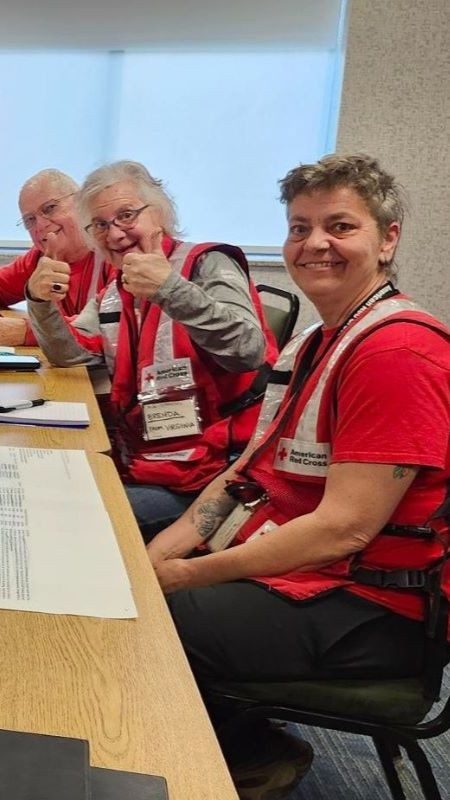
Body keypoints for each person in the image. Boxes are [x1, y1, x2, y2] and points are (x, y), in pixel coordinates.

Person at [146, 154, 450, 799]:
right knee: (137, 577)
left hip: (373, 609)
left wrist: (184, 576)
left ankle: (239, 757)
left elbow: (344, 529)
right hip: (314, 573)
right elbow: (244, 474)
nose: (314, 244)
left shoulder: (397, 354)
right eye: (299, 226)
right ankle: (242, 741)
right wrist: (161, 552)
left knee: (149, 625)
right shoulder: (319, 341)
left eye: (340, 226)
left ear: (387, 238)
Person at [27, 160, 278, 539]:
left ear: (159, 214)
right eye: (100, 225)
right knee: (34, 494)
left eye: (126, 215)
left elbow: (247, 349)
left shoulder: (208, 264)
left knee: (61, 525)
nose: (114, 233)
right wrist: (39, 301)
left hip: (212, 476)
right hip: (145, 461)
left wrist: (169, 289)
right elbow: (71, 354)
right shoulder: (116, 291)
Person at [0, 169, 116, 346]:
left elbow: (110, 328)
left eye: (50, 208)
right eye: (30, 220)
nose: (40, 225)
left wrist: (25, 332)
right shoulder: (41, 257)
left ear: (80, 203)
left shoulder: (116, 250)